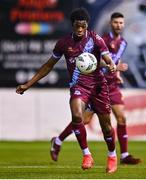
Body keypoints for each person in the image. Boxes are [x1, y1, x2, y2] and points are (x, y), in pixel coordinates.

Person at [16, 8, 118, 173]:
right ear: (72, 25)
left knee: (106, 126)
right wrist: (28, 84)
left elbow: (107, 58)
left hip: (98, 86)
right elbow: (49, 65)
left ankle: (112, 155)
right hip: (79, 86)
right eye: (77, 26)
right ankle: (86, 154)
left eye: (83, 26)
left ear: (87, 26)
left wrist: (111, 64)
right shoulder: (63, 43)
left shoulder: (96, 39)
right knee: (77, 115)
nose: (79, 30)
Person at [50, 12, 141, 165]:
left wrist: (116, 71)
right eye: (115, 22)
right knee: (83, 119)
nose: (118, 25)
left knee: (121, 117)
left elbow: (114, 61)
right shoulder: (100, 39)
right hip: (95, 84)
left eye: (121, 23)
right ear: (111, 23)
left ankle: (124, 155)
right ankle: (58, 140)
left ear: (123, 25)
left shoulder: (123, 43)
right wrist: (112, 66)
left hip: (112, 85)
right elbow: (91, 61)